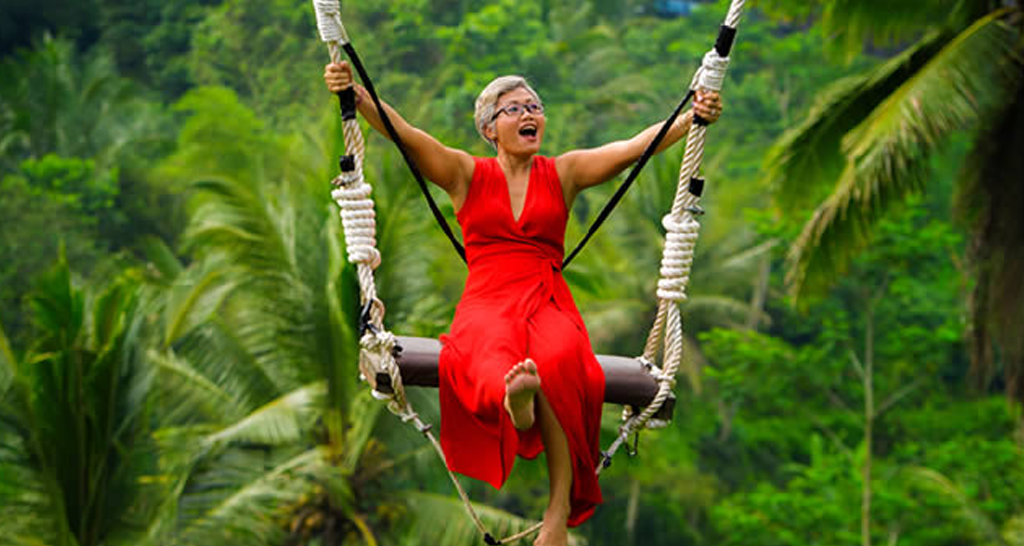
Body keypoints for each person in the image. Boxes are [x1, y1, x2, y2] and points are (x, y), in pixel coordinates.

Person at [324, 62, 722, 546]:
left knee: (561, 359)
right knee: (488, 358)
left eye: (535, 107)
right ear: (490, 127)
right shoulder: (466, 173)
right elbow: (405, 135)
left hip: (547, 295)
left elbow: (633, 148)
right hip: (488, 298)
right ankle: (519, 411)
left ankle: (555, 517)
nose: (530, 114)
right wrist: (359, 99)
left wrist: (691, 119)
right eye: (516, 109)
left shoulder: (565, 172)